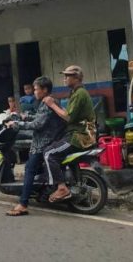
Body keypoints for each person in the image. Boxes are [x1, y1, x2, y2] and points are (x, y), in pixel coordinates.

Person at [4, 76, 65, 216]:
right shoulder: (46, 102)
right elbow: (40, 118)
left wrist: (16, 125)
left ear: (44, 90)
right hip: (48, 140)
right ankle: (42, 192)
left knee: (29, 170)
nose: (34, 92)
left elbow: (38, 125)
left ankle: (23, 204)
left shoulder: (48, 102)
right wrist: (25, 117)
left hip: (44, 143)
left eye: (36, 89)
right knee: (30, 168)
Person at [42, 65, 95, 202]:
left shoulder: (79, 94)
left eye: (67, 76)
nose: (64, 79)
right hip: (79, 134)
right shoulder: (76, 92)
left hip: (79, 137)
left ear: (76, 78)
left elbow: (68, 117)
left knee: (49, 153)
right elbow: (69, 112)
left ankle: (61, 188)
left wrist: (51, 105)